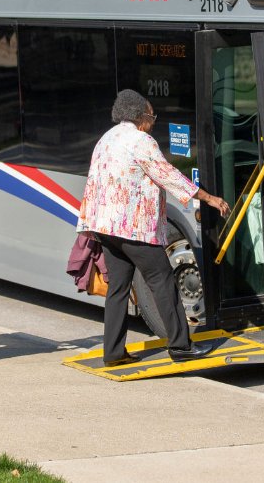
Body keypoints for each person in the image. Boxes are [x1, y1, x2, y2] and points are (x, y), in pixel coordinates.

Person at [77, 89, 231, 367]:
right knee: (163, 282)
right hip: (133, 228)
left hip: (106, 227)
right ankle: (181, 346)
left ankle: (112, 352)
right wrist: (208, 198)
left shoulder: (105, 139)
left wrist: (88, 225)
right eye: (151, 116)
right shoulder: (140, 140)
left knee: (118, 289)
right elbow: (168, 175)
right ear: (139, 117)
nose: (153, 121)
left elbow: (93, 183)